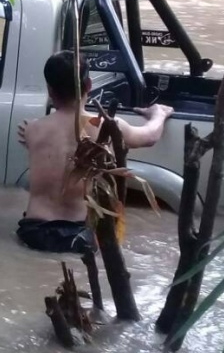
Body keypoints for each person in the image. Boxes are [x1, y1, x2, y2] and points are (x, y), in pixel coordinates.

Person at [17, 51, 173, 254]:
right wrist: (158, 114)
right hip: (79, 235)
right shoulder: (106, 126)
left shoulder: (32, 130)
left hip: (33, 232)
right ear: (89, 85)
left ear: (49, 89)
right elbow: (149, 137)